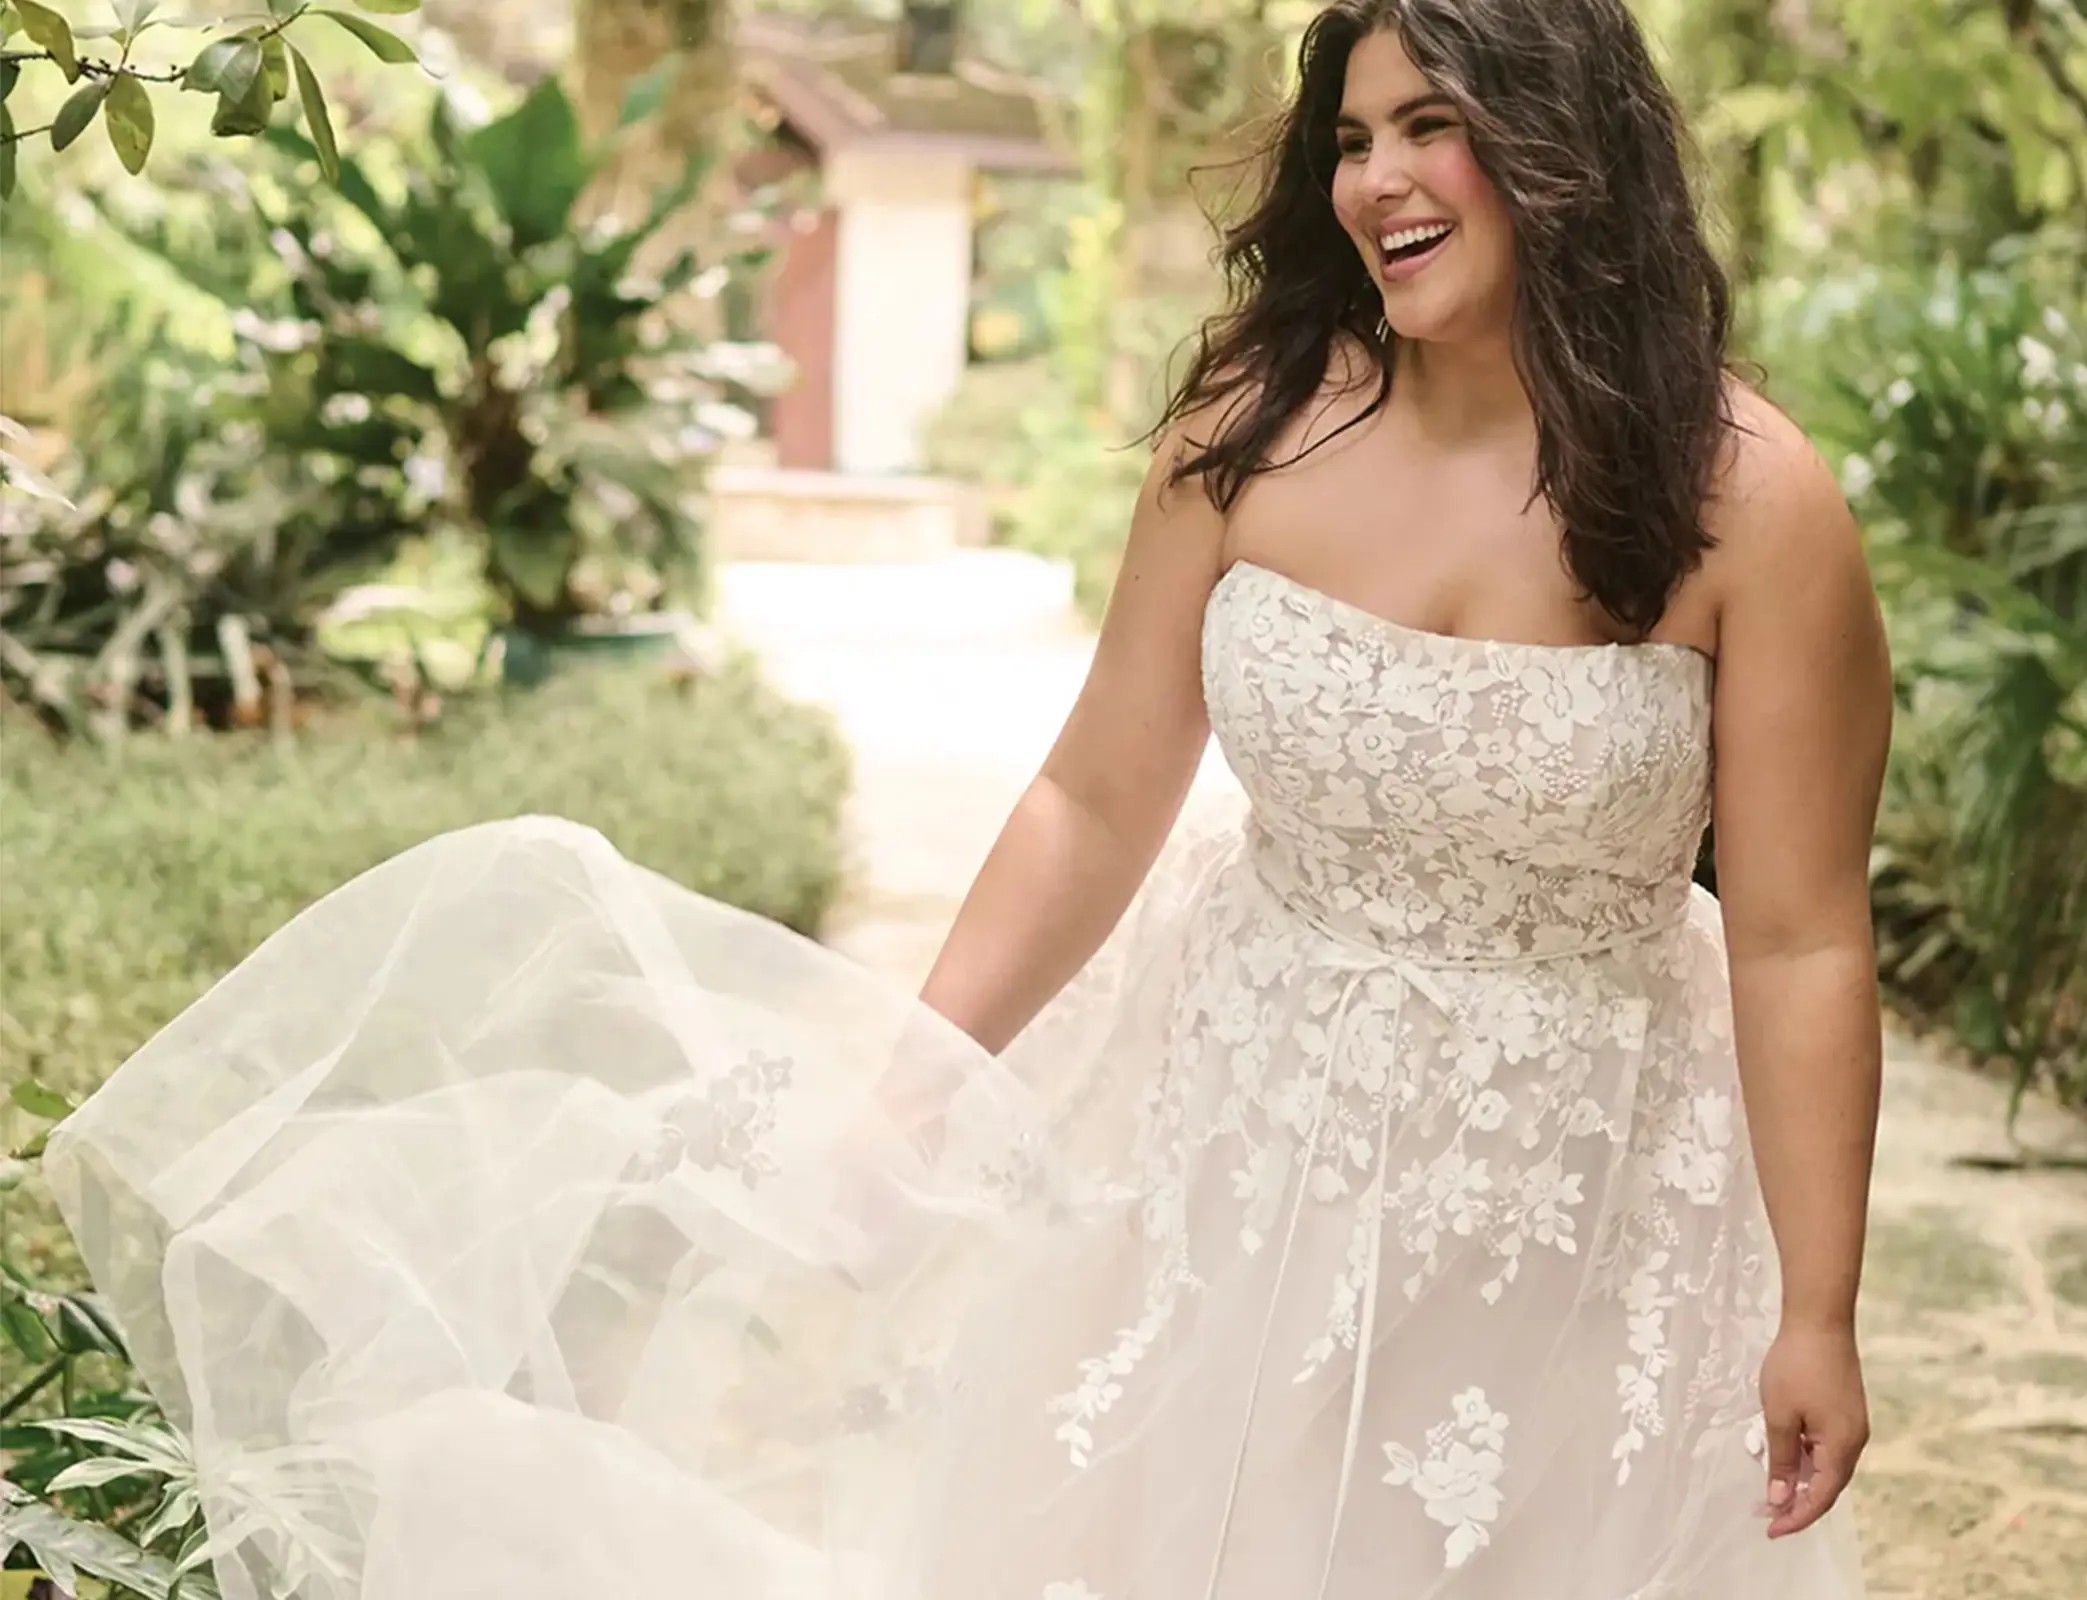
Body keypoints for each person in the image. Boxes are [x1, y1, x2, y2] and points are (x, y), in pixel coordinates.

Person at [47, 2, 1888, 1596]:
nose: (1378, 181)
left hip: (1583, 1200)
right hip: (1241, 1140)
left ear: (1563, 149)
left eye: (1434, 128)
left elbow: (1800, 937)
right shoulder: (1252, 423)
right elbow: (1098, 798)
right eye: (1351, 137)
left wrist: (1815, 1303)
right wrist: (910, 1087)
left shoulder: (1756, 503)